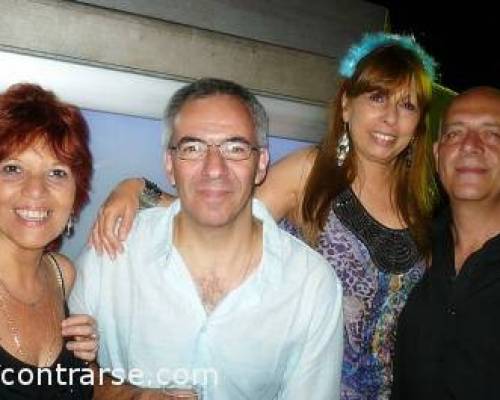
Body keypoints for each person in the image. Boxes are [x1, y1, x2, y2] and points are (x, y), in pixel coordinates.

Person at [91, 32, 438, 399]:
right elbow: (224, 213)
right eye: (377, 97)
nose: (390, 118)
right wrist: (139, 189)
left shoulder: (421, 203)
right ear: (346, 105)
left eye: (407, 105)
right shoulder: (311, 174)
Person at [70, 78, 343, 399]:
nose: (214, 169)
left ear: (261, 165)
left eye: (235, 148)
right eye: (193, 148)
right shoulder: (111, 253)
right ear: (170, 165)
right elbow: (63, 379)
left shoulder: (311, 284)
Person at [391, 86, 500, 400]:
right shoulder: (411, 251)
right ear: (438, 155)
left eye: (492, 134)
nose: (470, 145)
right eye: (455, 133)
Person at [0, 83, 97, 398]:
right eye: (13, 168)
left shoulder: (62, 274)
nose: (36, 191)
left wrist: (86, 364)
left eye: (57, 173)